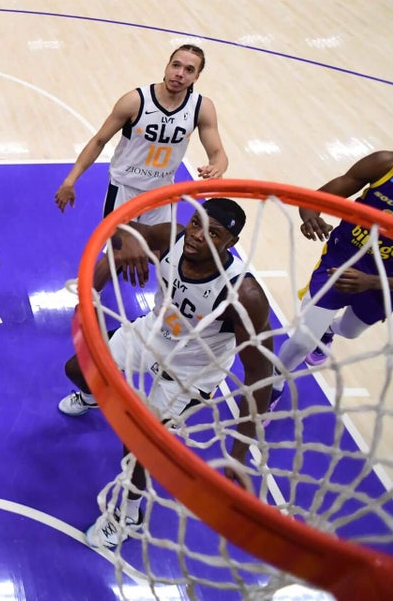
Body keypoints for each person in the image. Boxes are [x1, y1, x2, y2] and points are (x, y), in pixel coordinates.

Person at [57, 198, 273, 548]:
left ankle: (129, 513)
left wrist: (240, 449)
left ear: (229, 244)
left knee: (138, 444)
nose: (198, 236)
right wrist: (123, 241)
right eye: (196, 224)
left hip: (188, 375)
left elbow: (259, 373)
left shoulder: (243, 294)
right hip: (151, 333)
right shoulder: (173, 237)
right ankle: (93, 396)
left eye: (213, 233)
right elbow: (121, 227)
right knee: (77, 369)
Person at [55, 44, 227, 286]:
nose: (180, 73)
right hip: (125, 190)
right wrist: (70, 180)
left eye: (189, 69)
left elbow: (218, 153)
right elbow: (99, 141)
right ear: (166, 66)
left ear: (196, 77)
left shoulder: (202, 107)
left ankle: (173, 304)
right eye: (176, 65)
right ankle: (87, 298)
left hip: (161, 193)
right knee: (118, 252)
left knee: (164, 253)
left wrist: (217, 166)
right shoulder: (136, 100)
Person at [269, 149, 393, 406]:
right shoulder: (388, 164)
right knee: (302, 340)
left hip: (391, 279)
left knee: (351, 330)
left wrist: (372, 282)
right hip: (342, 260)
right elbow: (314, 200)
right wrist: (311, 217)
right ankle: (274, 381)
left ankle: (329, 331)